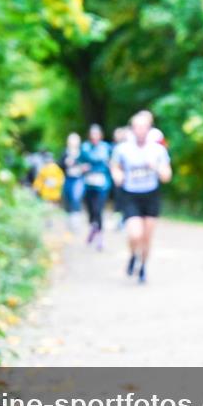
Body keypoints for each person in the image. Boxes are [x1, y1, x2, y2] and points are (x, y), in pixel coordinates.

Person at [110, 110, 172, 284]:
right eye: (137, 127)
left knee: (147, 237)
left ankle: (143, 266)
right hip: (131, 195)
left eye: (144, 127)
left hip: (151, 195)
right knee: (135, 234)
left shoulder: (158, 150)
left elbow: (167, 176)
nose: (141, 130)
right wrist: (117, 175)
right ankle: (132, 255)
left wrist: (156, 168)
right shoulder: (122, 149)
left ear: (149, 129)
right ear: (132, 129)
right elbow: (115, 166)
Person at [81, 123, 113, 250]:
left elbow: (113, 162)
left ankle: (100, 237)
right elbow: (79, 162)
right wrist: (82, 167)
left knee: (98, 210)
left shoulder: (106, 147)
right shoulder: (85, 147)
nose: (94, 136)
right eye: (92, 134)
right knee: (91, 211)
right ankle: (93, 228)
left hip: (102, 184)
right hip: (89, 184)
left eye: (97, 134)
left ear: (101, 135)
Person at [59, 132, 86, 231]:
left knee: (76, 198)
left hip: (78, 178)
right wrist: (66, 163)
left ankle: (76, 222)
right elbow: (59, 165)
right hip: (68, 178)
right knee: (68, 198)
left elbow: (87, 163)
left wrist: (82, 167)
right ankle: (69, 221)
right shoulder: (65, 152)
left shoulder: (82, 152)